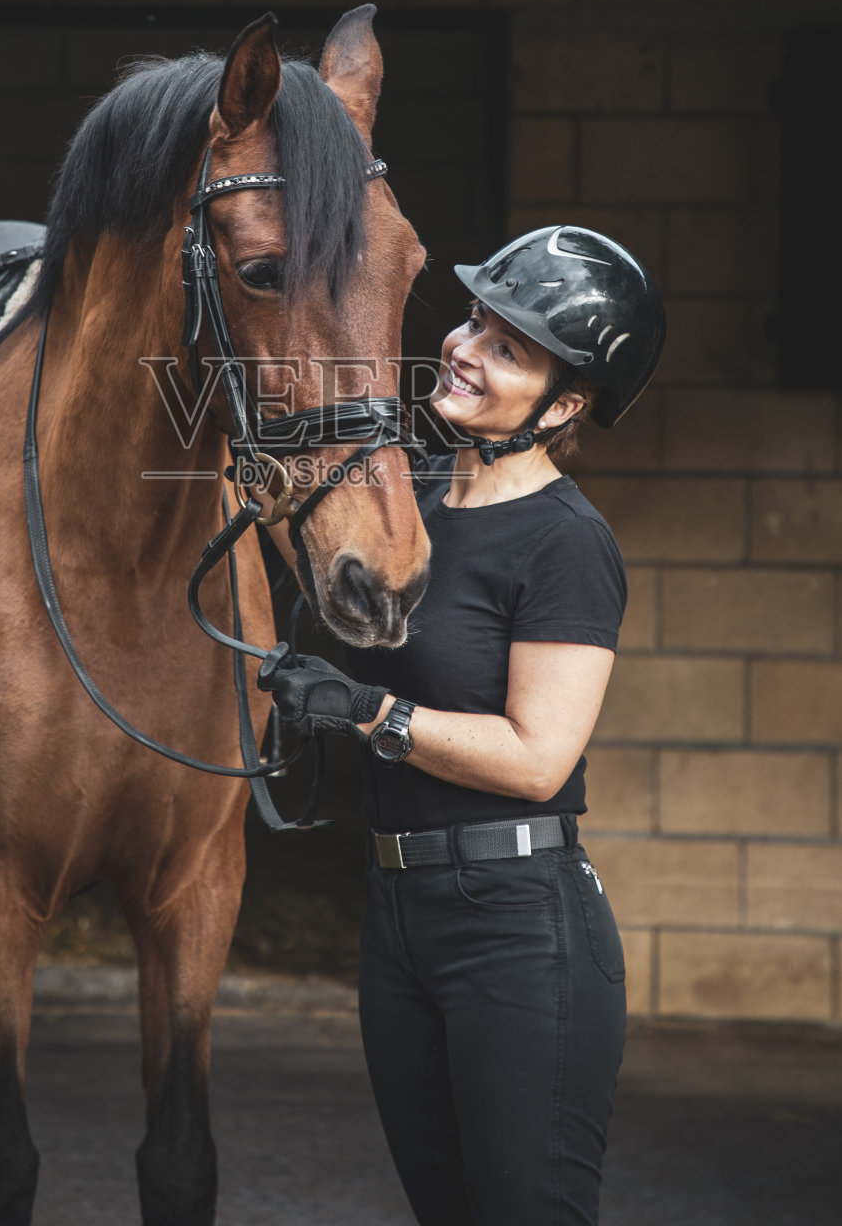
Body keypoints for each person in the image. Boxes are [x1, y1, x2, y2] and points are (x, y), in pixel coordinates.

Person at [258, 224, 666, 1226]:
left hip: (517, 925)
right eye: (475, 320)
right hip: (396, 915)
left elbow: (536, 760)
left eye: (507, 347)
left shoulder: (566, 542)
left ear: (563, 405)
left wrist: (365, 712)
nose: (464, 346)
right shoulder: (411, 501)